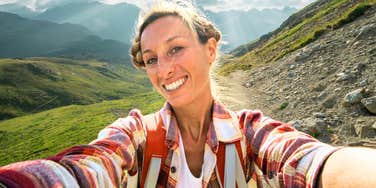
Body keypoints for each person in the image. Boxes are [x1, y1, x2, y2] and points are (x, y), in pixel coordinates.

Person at [1, 1, 376, 188]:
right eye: (151, 59)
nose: (164, 69)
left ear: (210, 49)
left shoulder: (251, 132)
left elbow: (310, 160)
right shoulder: (135, 134)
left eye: (176, 49)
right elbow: (89, 165)